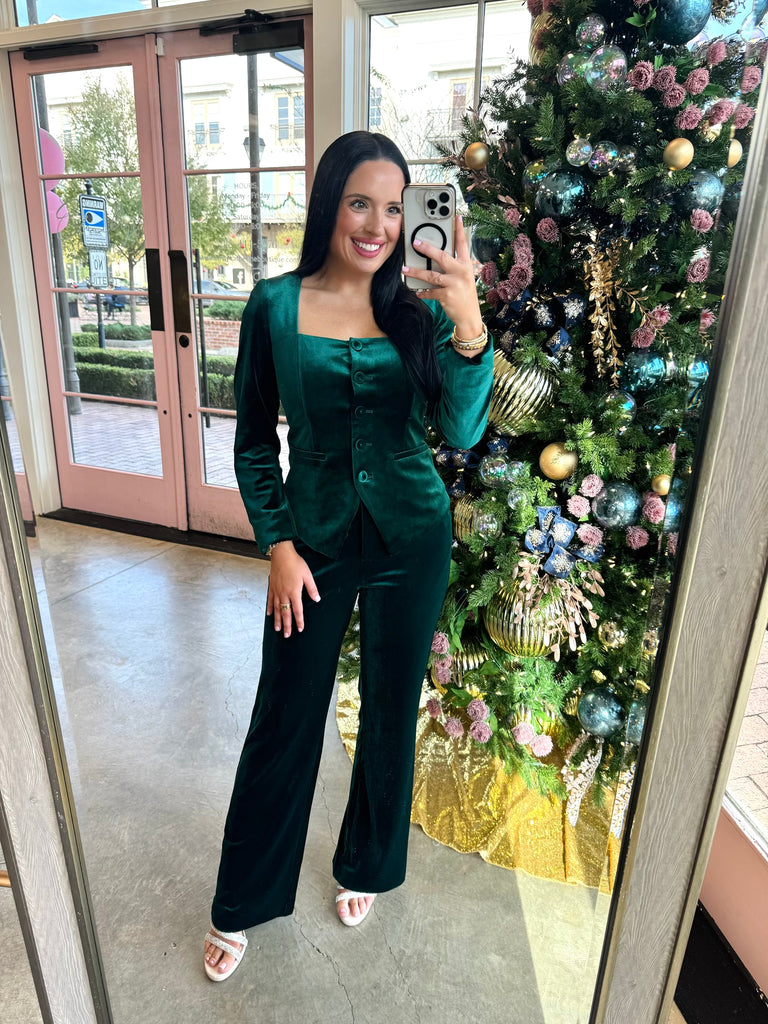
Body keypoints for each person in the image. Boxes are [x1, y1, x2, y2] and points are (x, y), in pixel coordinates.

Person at [203, 131, 493, 981]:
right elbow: (253, 442)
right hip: (314, 542)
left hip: (413, 535)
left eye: (395, 208)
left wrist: (468, 321)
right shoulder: (272, 305)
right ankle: (243, 899)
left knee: (391, 709)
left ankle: (367, 862)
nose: (377, 225)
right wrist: (278, 544)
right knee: (285, 715)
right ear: (328, 201)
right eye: (360, 202)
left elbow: (461, 433)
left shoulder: (420, 309)